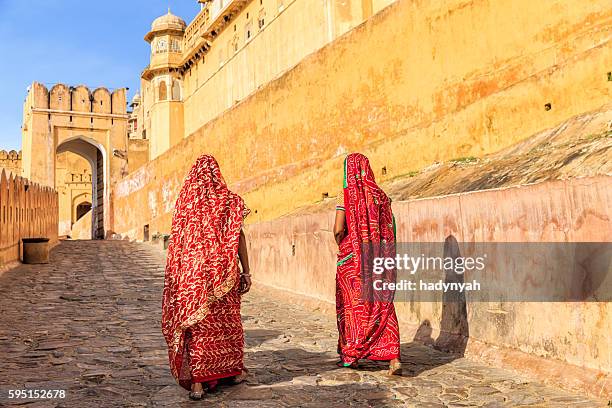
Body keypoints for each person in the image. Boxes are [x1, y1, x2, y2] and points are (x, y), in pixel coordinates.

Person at [162, 154, 252, 400]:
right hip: (224, 275)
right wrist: (246, 270)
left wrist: (177, 280)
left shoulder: (185, 204)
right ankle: (232, 372)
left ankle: (198, 385)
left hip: (193, 278)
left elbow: (177, 246)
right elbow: (239, 237)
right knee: (225, 325)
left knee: (198, 328)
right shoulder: (229, 201)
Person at [333, 152, 402, 375]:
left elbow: (338, 229)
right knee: (382, 305)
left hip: (352, 262)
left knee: (353, 308)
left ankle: (352, 354)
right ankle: (393, 357)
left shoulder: (346, 197)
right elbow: (390, 228)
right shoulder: (381, 197)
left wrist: (342, 245)